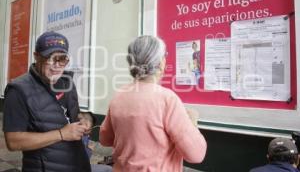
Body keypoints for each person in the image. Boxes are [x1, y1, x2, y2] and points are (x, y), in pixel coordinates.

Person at [100, 35, 207, 172]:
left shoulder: (118, 96)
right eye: (165, 55)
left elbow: (105, 139)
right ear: (161, 63)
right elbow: (196, 155)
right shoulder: (167, 99)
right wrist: (192, 122)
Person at [2, 31, 91, 172]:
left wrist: (86, 119)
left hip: (78, 163)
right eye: (50, 58)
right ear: (36, 56)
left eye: (62, 59)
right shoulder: (18, 90)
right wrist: (61, 134)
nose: (57, 65)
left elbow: (74, 115)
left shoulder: (67, 82)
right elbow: (13, 141)